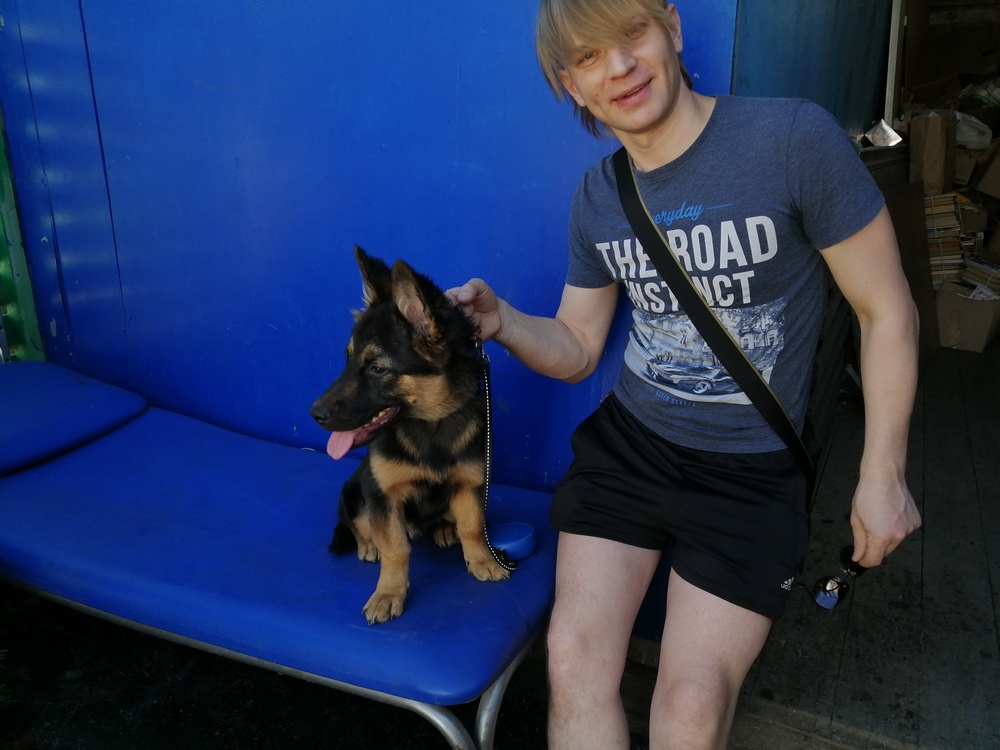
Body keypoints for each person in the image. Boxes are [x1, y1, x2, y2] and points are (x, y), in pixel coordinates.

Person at [448, 1, 923, 748]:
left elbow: (886, 310)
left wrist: (882, 474)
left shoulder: (792, 139)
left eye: (631, 33)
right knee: (571, 660)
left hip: (751, 474)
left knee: (694, 705)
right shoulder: (599, 197)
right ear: (572, 85)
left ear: (670, 27)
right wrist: (502, 321)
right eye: (588, 57)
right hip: (631, 452)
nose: (618, 67)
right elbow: (578, 346)